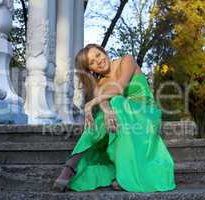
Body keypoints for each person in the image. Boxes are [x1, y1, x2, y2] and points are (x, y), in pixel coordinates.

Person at [53, 44, 176, 192]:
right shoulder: (99, 84)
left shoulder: (127, 60)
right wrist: (106, 110)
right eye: (92, 62)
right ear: (90, 70)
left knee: (117, 101)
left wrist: (91, 104)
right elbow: (104, 103)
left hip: (145, 111)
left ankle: (74, 167)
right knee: (110, 109)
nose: (98, 61)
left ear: (104, 52)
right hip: (122, 115)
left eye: (98, 55)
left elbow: (119, 87)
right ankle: (72, 166)